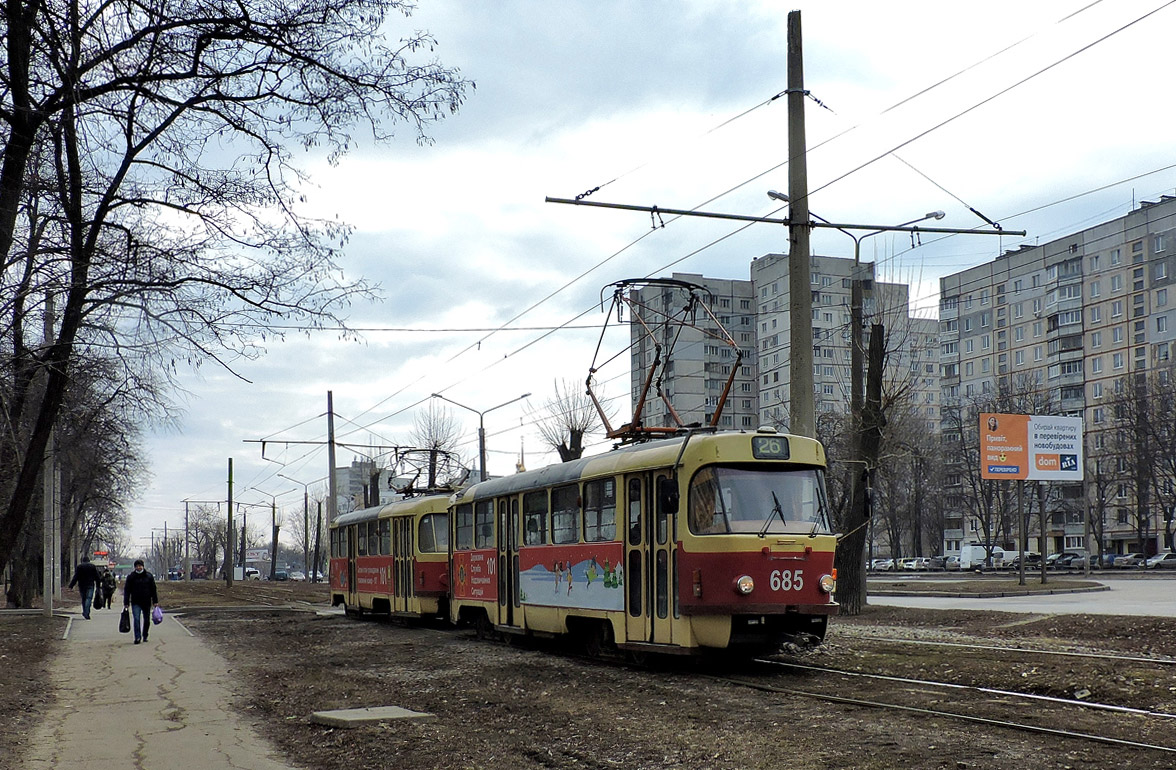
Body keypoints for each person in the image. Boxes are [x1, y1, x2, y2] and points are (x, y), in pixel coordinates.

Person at [123, 560, 159, 644]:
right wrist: (126, 602)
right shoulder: (131, 577)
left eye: (140, 566)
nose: (139, 567)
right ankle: (137, 637)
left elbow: (153, 589)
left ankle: (145, 634)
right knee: (136, 619)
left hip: (146, 601)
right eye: (137, 566)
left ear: (143, 566)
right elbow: (127, 590)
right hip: (135, 602)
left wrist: (155, 601)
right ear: (135, 567)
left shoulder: (149, 576)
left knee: (147, 620)